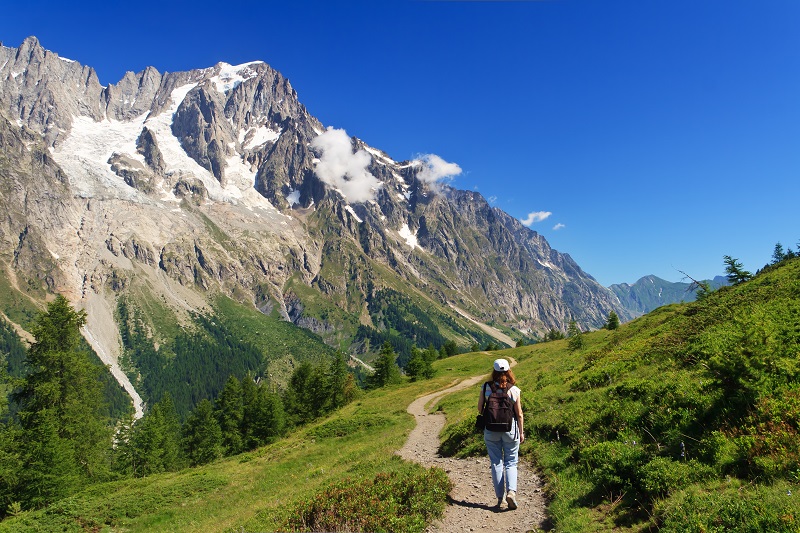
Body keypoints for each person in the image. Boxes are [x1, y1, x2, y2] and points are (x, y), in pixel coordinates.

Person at [477, 358, 524, 510]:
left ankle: (500, 499)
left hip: (491, 429)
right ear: (509, 371)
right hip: (510, 429)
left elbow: (479, 409)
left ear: (494, 371)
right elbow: (519, 414)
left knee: (496, 462)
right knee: (511, 461)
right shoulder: (514, 390)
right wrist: (521, 432)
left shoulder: (486, 387)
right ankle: (511, 492)